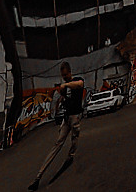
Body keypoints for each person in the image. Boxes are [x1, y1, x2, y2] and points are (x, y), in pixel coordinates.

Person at [27, 63, 85, 191]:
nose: (64, 77)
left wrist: (65, 85)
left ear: (70, 72)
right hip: (67, 117)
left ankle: (71, 156)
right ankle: (38, 177)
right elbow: (63, 98)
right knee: (57, 143)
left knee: (74, 138)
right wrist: (59, 103)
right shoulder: (64, 87)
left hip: (75, 117)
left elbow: (80, 84)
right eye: (63, 76)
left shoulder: (76, 80)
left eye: (66, 75)